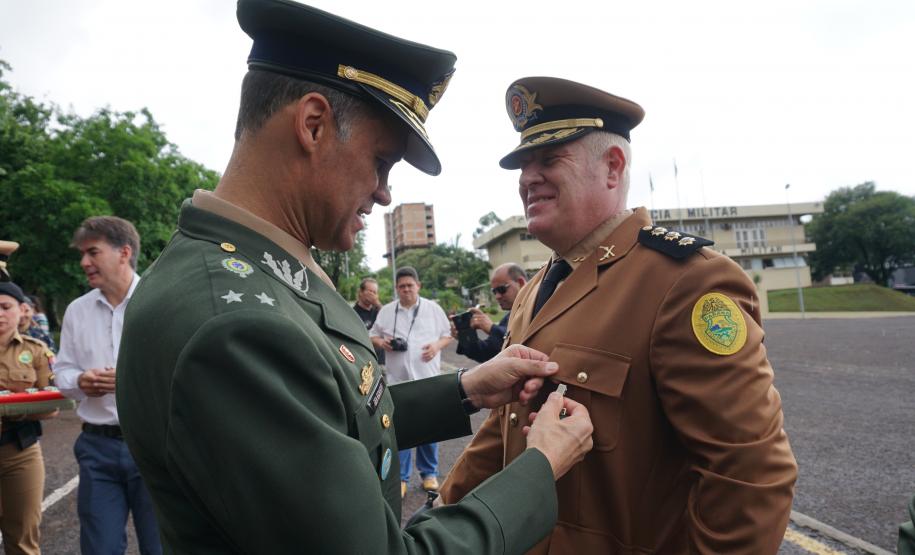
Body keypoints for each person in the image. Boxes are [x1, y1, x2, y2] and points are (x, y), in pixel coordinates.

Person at [115, 1, 594, 553]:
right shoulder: (235, 325)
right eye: (382, 161)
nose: (385, 191)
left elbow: (328, 415)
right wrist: (541, 464)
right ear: (313, 125)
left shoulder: (244, 273)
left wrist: (467, 390)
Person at [440, 76, 798, 554]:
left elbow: (750, 475)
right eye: (523, 165)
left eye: (549, 159)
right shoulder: (536, 289)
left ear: (612, 168)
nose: (528, 178)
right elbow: (500, 430)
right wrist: (440, 519)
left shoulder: (685, 281)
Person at [54, 216, 161, 555]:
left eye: (93, 252)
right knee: (99, 549)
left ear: (124, 252)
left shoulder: (159, 303)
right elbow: (64, 372)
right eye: (83, 254)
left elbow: (181, 374)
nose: (84, 262)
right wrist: (80, 381)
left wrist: (133, 380)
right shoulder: (76, 311)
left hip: (153, 443)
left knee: (160, 546)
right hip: (96, 448)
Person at [370, 266, 452, 496]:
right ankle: (402, 477)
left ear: (418, 286)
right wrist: (381, 343)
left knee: (429, 428)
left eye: (410, 285)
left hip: (427, 378)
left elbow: (447, 335)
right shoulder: (386, 311)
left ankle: (429, 474)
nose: (406, 290)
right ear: (396, 288)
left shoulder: (433, 309)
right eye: (401, 286)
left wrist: (436, 346)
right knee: (402, 430)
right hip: (398, 380)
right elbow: (372, 335)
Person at [0, 281, 57, 555]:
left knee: (23, 541)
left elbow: (52, 405)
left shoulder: (36, 351)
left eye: (5, 307)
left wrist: (10, 406)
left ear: (22, 310)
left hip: (19, 453)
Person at [453, 262, 527, 363]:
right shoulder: (508, 317)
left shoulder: (540, 308)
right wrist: (465, 336)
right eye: (494, 291)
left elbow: (523, 345)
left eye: (501, 289)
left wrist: (492, 328)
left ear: (521, 283)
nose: (497, 296)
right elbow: (488, 353)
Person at [353, 276, 385, 363]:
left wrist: (377, 304)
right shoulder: (353, 313)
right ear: (361, 292)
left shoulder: (379, 311)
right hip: (365, 362)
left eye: (375, 292)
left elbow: (391, 322)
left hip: (382, 360)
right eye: (370, 291)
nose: (373, 295)